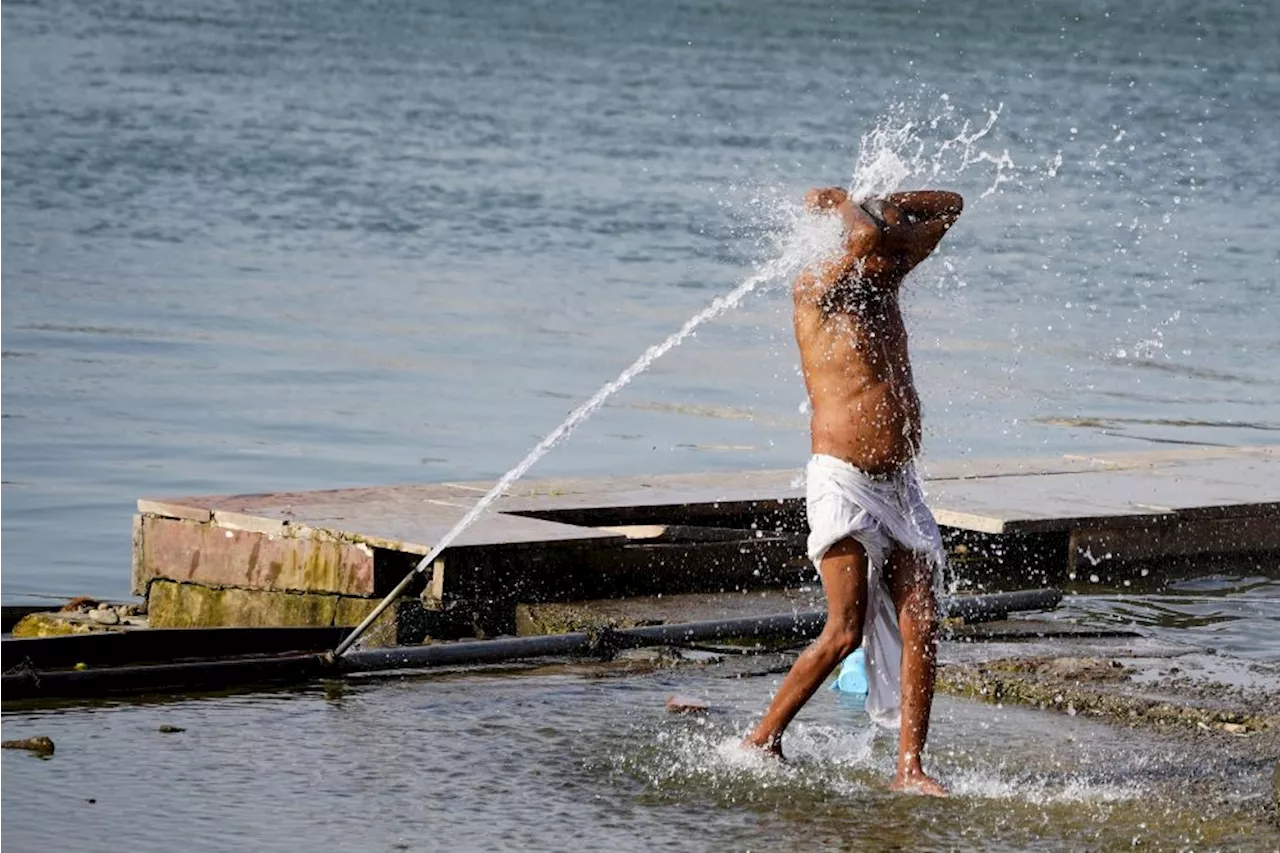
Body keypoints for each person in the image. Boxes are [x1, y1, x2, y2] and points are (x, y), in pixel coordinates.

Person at [743, 186, 964, 797]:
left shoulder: (882, 284)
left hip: (900, 485)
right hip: (843, 480)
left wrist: (895, 201)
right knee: (845, 629)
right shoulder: (816, 288)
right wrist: (847, 204)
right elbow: (864, 236)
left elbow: (951, 208)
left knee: (923, 619)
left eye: (897, 241)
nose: (897, 253)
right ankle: (762, 740)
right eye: (888, 238)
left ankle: (909, 768)